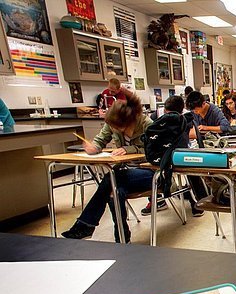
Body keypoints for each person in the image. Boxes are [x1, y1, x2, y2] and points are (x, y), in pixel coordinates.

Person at [61, 91, 154, 243]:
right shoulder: (113, 124)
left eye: (119, 128)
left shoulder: (147, 125)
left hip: (148, 171)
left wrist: (129, 149)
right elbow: (100, 139)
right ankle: (122, 238)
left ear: (130, 120)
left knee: (111, 178)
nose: (115, 130)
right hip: (124, 172)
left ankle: (85, 225)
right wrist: (94, 147)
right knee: (114, 191)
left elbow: (154, 153)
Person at [139, 95, 205, 218]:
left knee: (189, 170)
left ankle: (196, 200)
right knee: (153, 169)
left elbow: (192, 136)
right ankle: (160, 200)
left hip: (174, 154)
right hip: (168, 154)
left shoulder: (185, 118)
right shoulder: (158, 116)